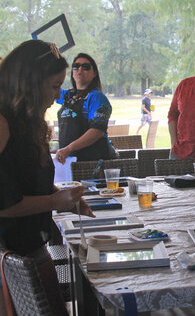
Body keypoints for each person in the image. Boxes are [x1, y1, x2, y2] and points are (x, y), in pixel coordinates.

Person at [0, 40, 95, 315]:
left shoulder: (24, 120)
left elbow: (25, 182)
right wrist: (56, 200)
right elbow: (5, 203)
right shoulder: (3, 124)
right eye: (54, 86)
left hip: (31, 249)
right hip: (15, 257)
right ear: (29, 83)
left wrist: (65, 199)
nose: (57, 96)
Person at [55, 53, 114, 164]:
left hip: (92, 163)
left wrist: (68, 149)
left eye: (86, 67)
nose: (80, 69)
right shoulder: (67, 95)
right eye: (76, 66)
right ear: (72, 72)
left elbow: (97, 131)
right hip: (69, 161)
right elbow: (47, 86)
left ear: (94, 73)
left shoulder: (97, 97)